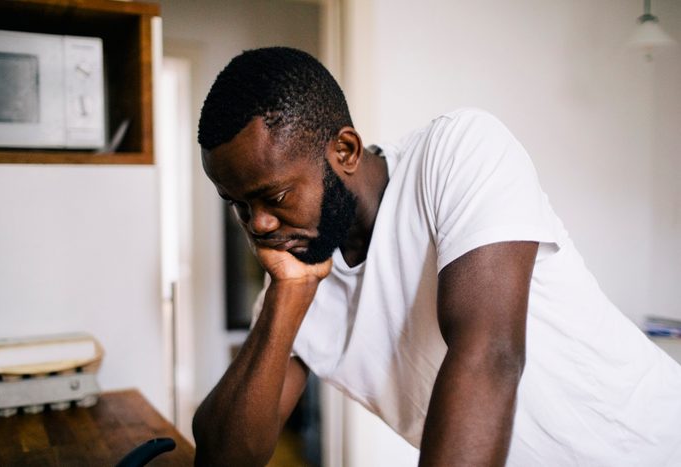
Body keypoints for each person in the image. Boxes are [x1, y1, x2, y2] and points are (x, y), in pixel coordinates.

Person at [192, 47, 681, 466]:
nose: (257, 225)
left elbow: (489, 356)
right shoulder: (299, 273)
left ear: (344, 150)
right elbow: (224, 457)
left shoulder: (458, 153)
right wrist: (286, 297)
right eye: (237, 204)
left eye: (273, 197)